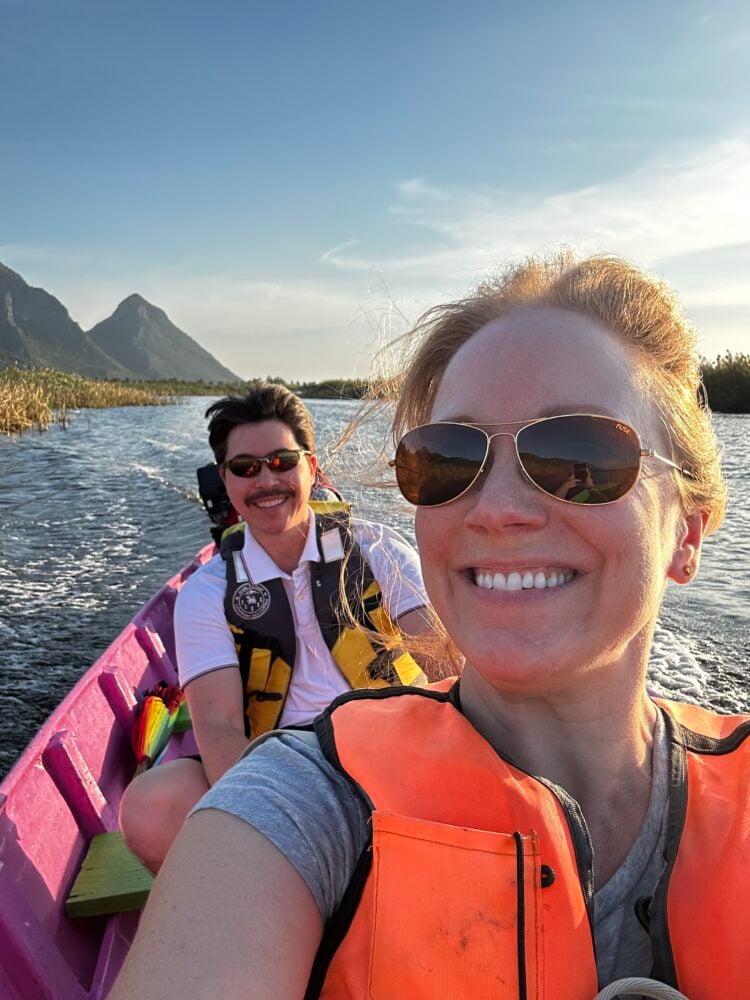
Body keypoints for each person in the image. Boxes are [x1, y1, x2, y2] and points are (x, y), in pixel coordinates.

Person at [110, 254, 748, 1000]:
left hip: (387, 723)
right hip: (317, 755)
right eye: (448, 461)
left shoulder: (373, 552)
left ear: (689, 534)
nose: (496, 508)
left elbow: (436, 643)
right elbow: (226, 745)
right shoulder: (293, 799)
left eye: (580, 453)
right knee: (154, 809)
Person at [119, 381, 437, 872]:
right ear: (225, 481)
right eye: (245, 468)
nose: (266, 480)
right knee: (150, 804)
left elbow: (441, 660)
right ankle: (266, 898)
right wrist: (269, 823)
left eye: (282, 462)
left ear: (310, 467)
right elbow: (221, 727)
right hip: (286, 766)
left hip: (394, 747)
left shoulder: (378, 551)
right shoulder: (207, 593)